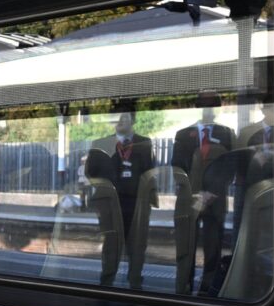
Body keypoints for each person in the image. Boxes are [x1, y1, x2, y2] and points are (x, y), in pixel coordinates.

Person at [170, 91, 235, 294]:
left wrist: (212, 192)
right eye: (203, 105)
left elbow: (230, 167)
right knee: (185, 245)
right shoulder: (182, 134)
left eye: (212, 105)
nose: (208, 109)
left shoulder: (226, 133)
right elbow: (177, 167)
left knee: (213, 246)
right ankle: (183, 286)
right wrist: (193, 193)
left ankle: (207, 289)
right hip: (189, 199)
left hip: (215, 199)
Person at [85, 110, 154, 287]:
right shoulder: (100, 144)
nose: (121, 120)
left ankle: (135, 285)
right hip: (110, 205)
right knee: (111, 245)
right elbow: (90, 173)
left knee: (137, 246)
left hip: (136, 204)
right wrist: (104, 189)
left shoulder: (144, 143)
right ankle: (106, 284)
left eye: (125, 116)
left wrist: (150, 200)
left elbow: (150, 173)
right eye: (118, 116)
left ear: (133, 120)